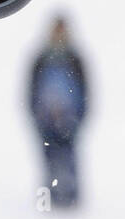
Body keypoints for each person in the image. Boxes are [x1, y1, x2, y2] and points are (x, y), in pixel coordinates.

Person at [28, 14, 89, 208]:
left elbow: (86, 89)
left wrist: (80, 116)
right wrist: (36, 114)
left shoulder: (75, 59)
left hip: (71, 118)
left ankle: (71, 197)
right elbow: (31, 88)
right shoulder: (42, 58)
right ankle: (51, 197)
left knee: (69, 156)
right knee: (49, 157)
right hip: (45, 119)